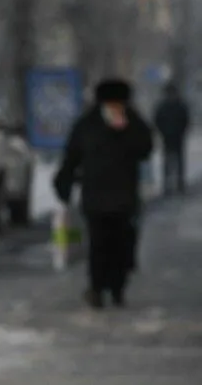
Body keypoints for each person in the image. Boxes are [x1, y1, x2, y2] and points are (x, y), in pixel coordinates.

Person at [53, 78, 153, 309]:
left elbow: (146, 149)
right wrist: (64, 182)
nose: (116, 108)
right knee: (99, 244)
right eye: (112, 103)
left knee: (123, 244)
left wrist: (126, 131)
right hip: (95, 196)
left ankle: (117, 288)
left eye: (119, 103)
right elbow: (71, 156)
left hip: (125, 196)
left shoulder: (134, 122)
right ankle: (96, 288)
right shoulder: (87, 125)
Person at [154, 82, 190, 195]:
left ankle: (179, 184)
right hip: (167, 137)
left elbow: (185, 120)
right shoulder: (163, 107)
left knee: (178, 162)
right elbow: (157, 120)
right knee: (168, 162)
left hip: (177, 137)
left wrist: (181, 131)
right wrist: (163, 132)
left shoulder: (179, 106)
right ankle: (168, 185)